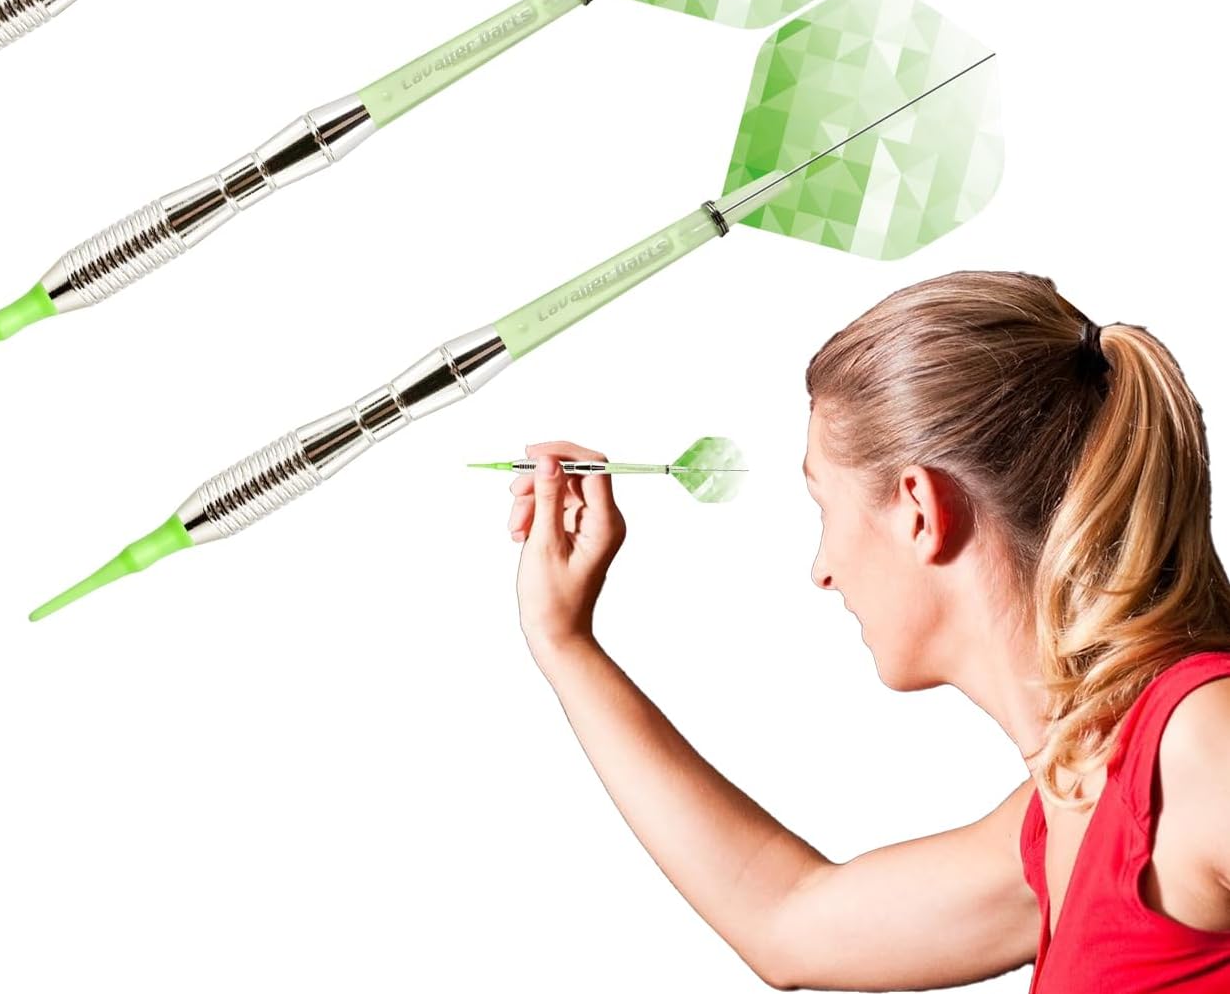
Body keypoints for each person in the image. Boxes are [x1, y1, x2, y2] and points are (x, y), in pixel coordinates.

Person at [508, 271, 1230, 991]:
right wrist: (562, 639)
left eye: (824, 505)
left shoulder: (1197, 747)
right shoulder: (1070, 800)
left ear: (918, 510)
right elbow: (787, 922)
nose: (821, 570)